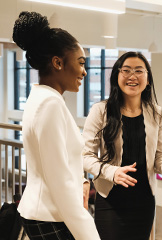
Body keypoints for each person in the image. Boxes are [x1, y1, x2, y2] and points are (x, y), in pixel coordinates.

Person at [82, 51, 162, 240]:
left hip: (143, 202)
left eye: (139, 71)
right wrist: (112, 172)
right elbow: (85, 156)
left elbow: (159, 156)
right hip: (110, 200)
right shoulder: (100, 111)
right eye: (126, 70)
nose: (132, 76)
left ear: (148, 79)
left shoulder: (157, 113)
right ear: (117, 76)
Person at [12, 11, 100, 240]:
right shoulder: (50, 104)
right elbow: (59, 183)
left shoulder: (42, 98)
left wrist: (81, 179)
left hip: (44, 213)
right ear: (58, 63)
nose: (84, 71)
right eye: (80, 63)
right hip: (50, 216)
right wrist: (89, 233)